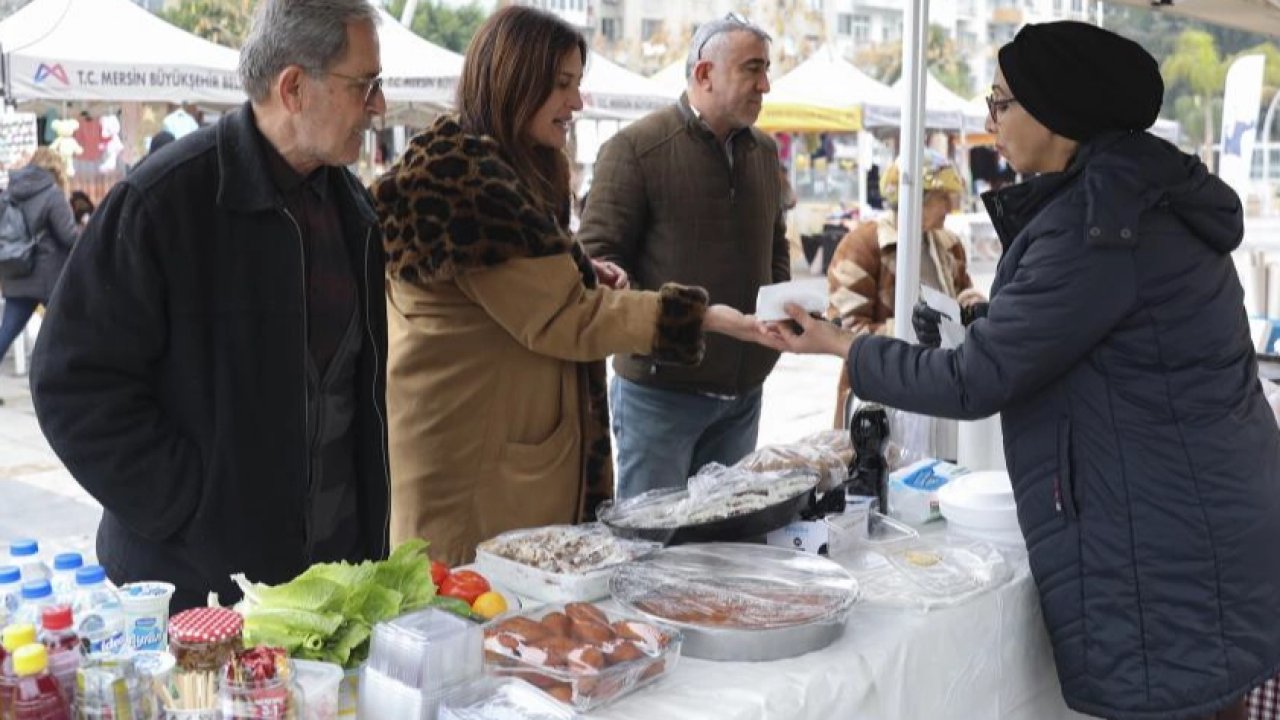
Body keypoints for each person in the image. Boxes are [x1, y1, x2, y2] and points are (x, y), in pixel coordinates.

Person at [761, 22, 1279, 720]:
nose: (989, 119)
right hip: (1200, 516)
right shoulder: (1140, 200)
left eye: (1002, 101)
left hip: (1164, 547)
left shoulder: (1098, 227)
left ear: (1058, 113)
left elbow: (973, 379)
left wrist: (842, 347)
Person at [29, 0, 391, 612]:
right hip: (195, 593)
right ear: (295, 87)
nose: (378, 106)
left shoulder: (352, 210)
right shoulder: (164, 201)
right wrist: (189, 504)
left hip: (333, 587)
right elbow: (72, 382)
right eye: (366, 85)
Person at [371, 6, 766, 566]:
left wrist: (576, 263)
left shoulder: (497, 170)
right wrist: (702, 317)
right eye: (561, 86)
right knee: (476, 622)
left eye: (577, 85)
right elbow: (566, 317)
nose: (576, 104)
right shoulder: (465, 185)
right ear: (514, 80)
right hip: (473, 472)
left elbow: (526, 278)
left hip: (499, 456)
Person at [577, 13, 789, 499]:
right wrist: (678, 327)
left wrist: (779, 311)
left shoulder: (763, 151)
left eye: (767, 69)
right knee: (650, 546)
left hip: (744, 393)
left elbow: (775, 243)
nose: (766, 85)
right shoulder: (636, 148)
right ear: (704, 73)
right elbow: (597, 263)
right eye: (752, 69)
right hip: (659, 397)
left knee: (718, 549)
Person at [825, 152, 983, 426]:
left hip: (941, 388)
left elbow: (961, 296)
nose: (949, 207)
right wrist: (916, 330)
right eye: (942, 197)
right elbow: (843, 331)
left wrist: (972, 306)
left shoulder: (950, 244)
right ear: (916, 198)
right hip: (877, 398)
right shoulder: (861, 246)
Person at [0, 148, 78, 368]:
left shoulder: (10, 191)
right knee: (72, 329)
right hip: (49, 279)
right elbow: (69, 236)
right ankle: (72, 380)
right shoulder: (52, 194)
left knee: (5, 333)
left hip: (17, 272)